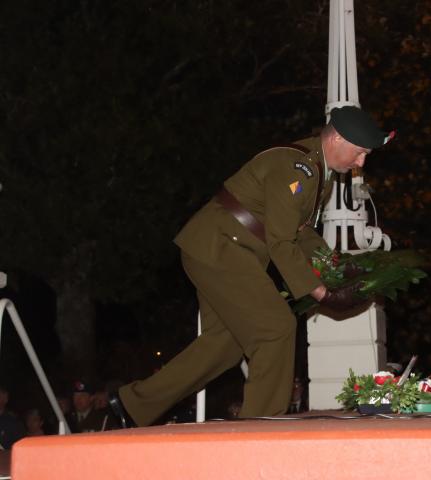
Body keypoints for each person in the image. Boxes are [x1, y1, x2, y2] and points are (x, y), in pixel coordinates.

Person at [109, 106, 394, 427]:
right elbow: (281, 241)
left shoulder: (318, 171)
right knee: (275, 329)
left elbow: (300, 232)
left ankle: (132, 404)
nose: (361, 163)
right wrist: (323, 294)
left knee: (226, 345)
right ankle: (261, 429)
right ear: (338, 139)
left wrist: (336, 265)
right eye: (359, 153)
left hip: (224, 248)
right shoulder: (298, 168)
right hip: (222, 247)